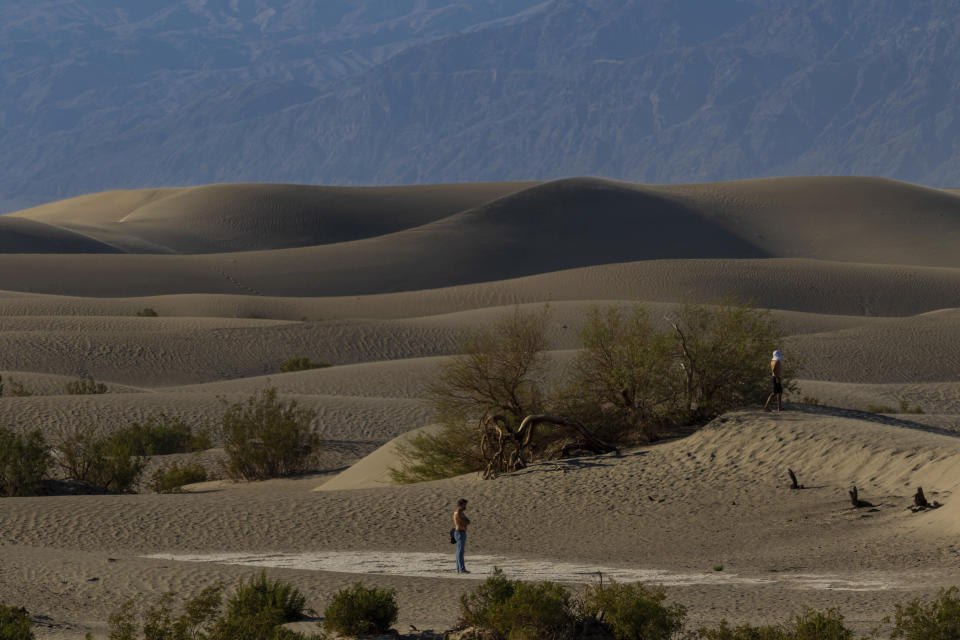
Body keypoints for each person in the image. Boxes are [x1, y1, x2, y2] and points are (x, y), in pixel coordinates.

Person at [453, 498, 470, 574]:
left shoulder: (461, 512)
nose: (465, 506)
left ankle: (459, 568)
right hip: (459, 532)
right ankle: (461, 569)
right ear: (461, 505)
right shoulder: (458, 512)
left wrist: (466, 521)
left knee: (459, 551)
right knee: (460, 551)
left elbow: (467, 521)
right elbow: (464, 522)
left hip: (461, 532)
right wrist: (466, 521)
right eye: (464, 505)